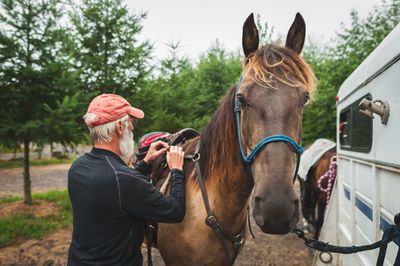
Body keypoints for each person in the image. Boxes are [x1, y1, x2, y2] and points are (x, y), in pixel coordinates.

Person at [67, 94, 186, 265]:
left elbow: (117, 192)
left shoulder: (78, 167)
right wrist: (176, 170)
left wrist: (145, 162)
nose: (132, 128)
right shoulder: (124, 180)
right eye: (131, 122)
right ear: (119, 127)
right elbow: (175, 211)